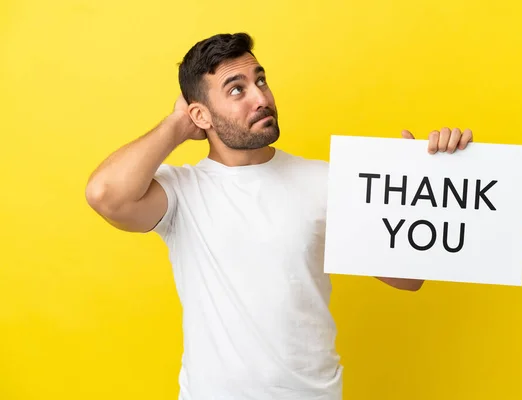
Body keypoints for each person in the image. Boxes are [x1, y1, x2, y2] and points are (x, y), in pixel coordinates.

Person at [85, 32, 474, 400]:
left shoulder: (326, 180)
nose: (261, 97)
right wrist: (176, 125)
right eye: (237, 89)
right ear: (200, 115)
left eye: (261, 81)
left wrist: (420, 183)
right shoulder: (181, 193)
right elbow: (105, 195)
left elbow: (408, 278)